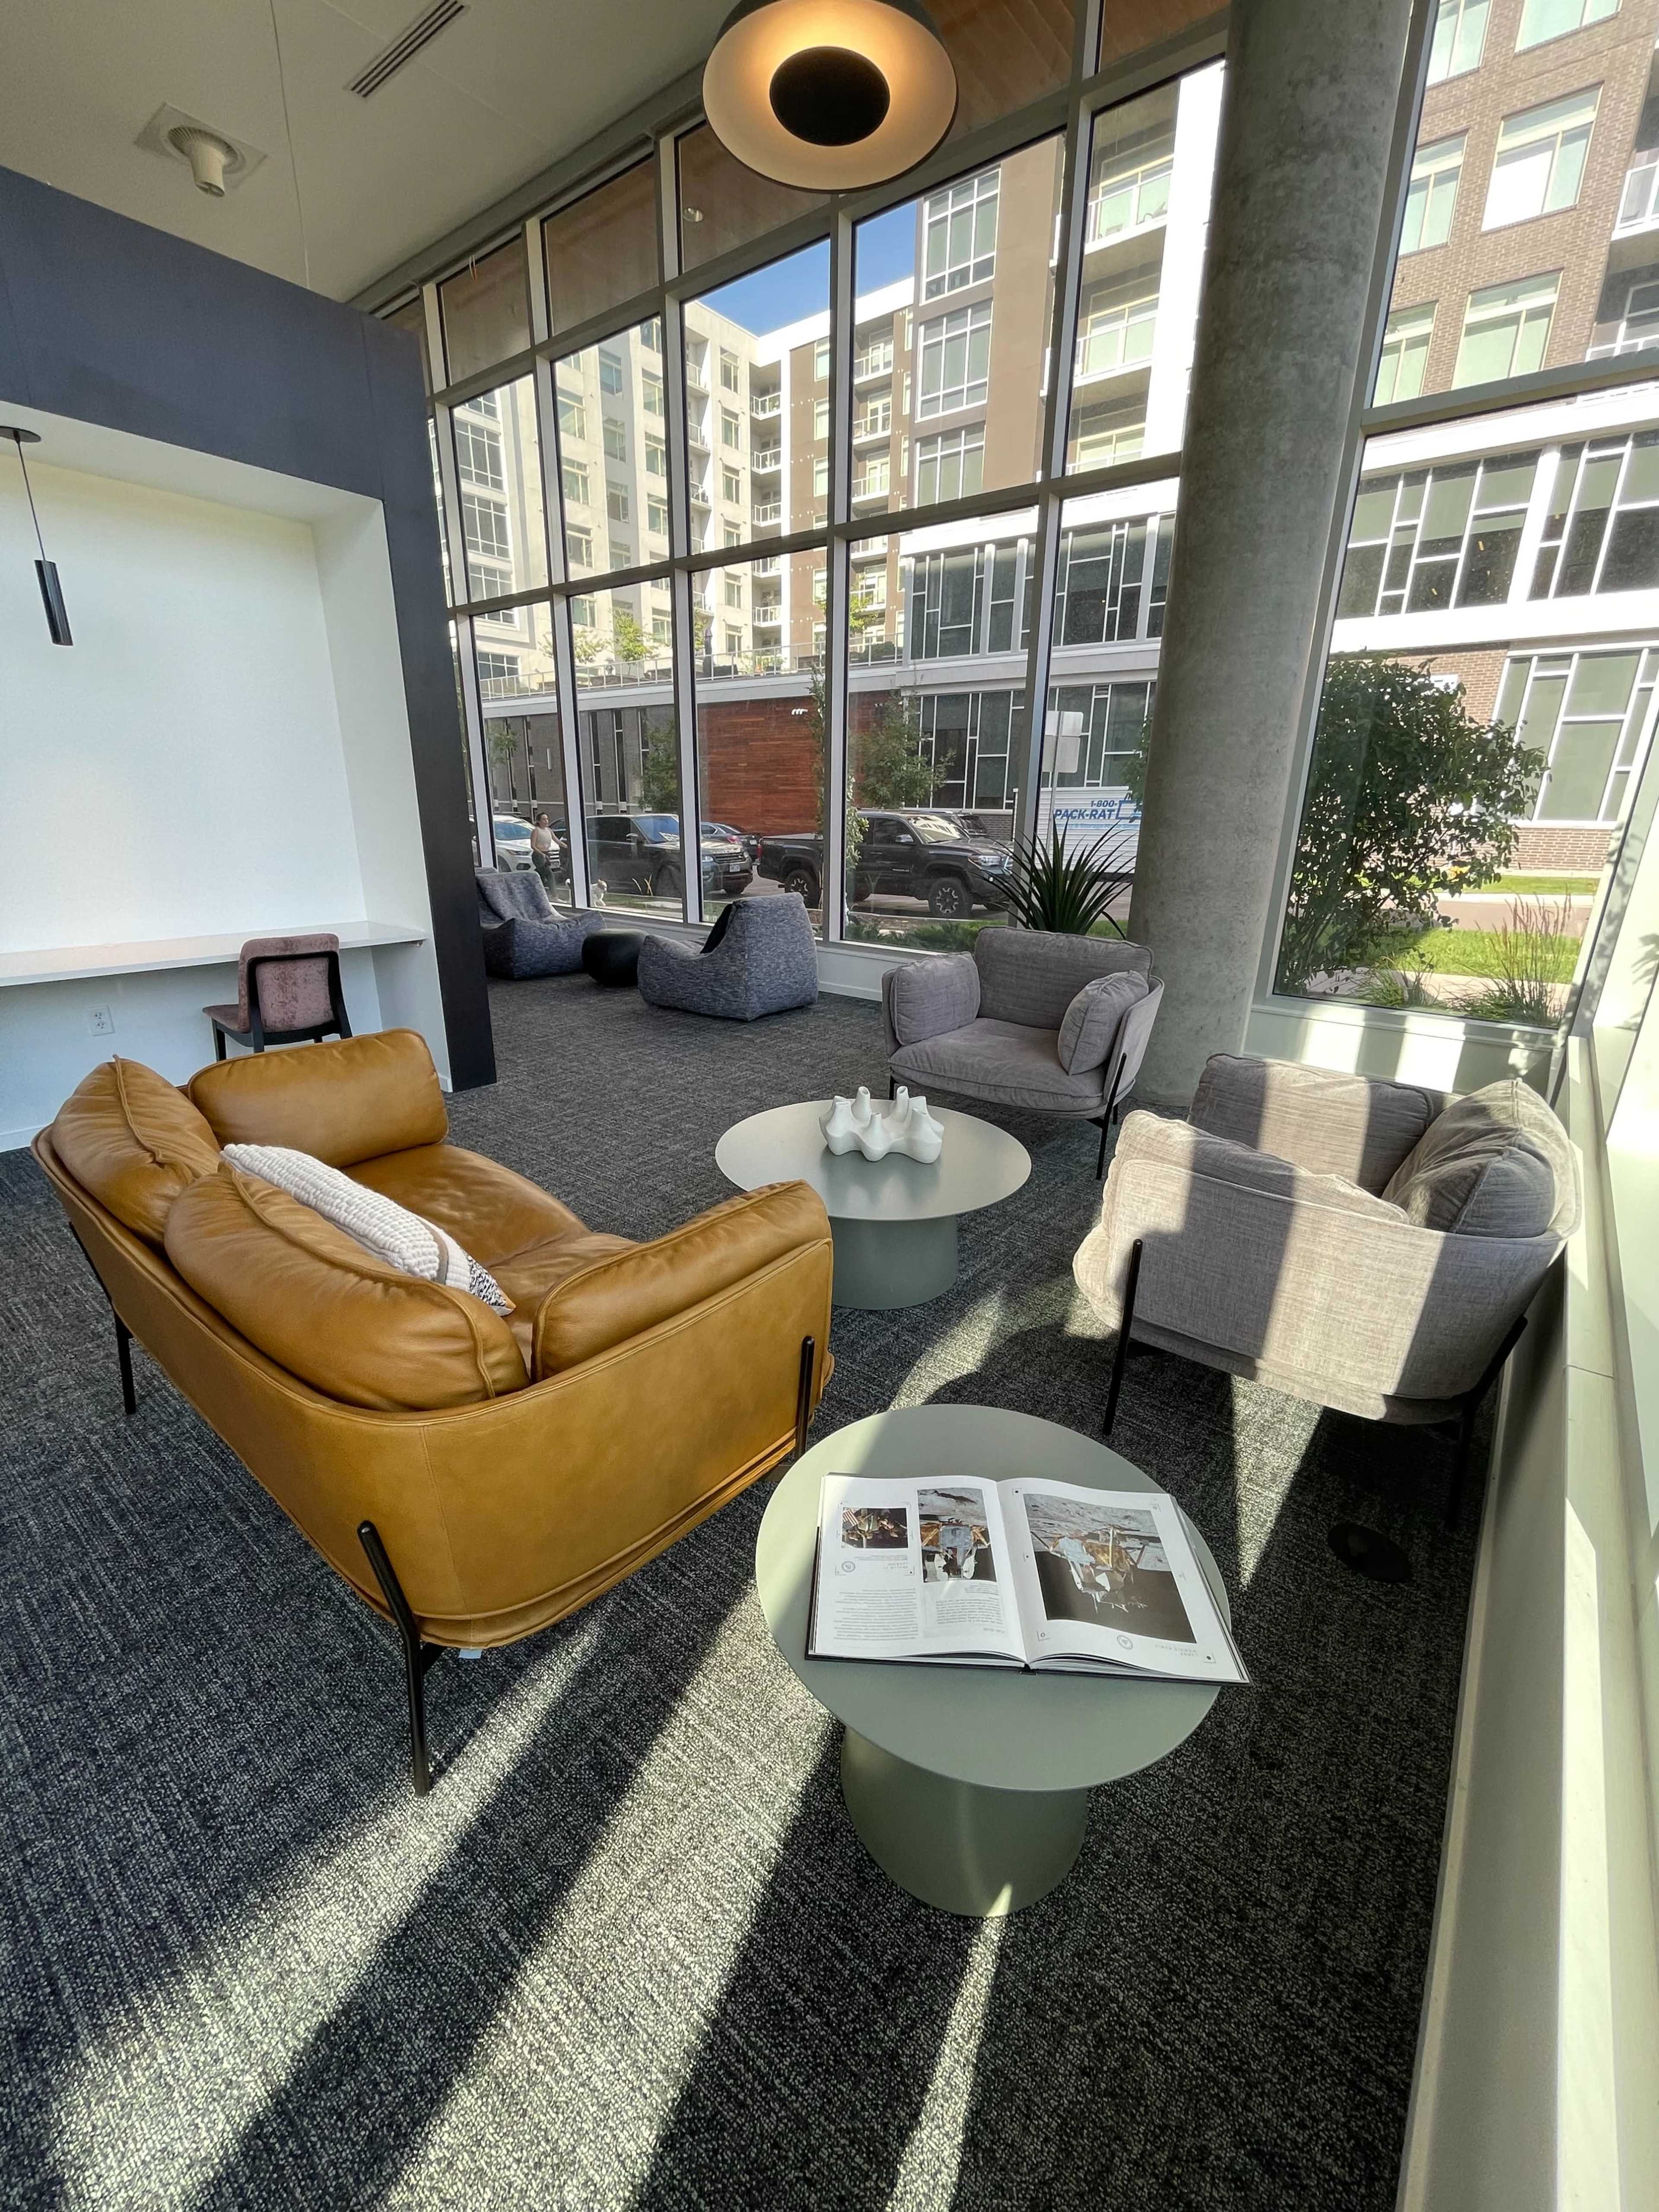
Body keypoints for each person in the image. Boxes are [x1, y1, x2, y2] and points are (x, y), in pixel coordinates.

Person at [530, 811, 557, 893]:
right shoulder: (536, 831)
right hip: (538, 855)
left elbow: (557, 841)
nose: (546, 821)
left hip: (547, 854)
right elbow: (533, 846)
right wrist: (543, 855)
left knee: (541, 875)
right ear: (539, 821)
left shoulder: (549, 831)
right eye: (544, 819)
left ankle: (537, 891)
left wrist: (567, 846)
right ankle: (554, 895)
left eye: (547, 819)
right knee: (549, 874)